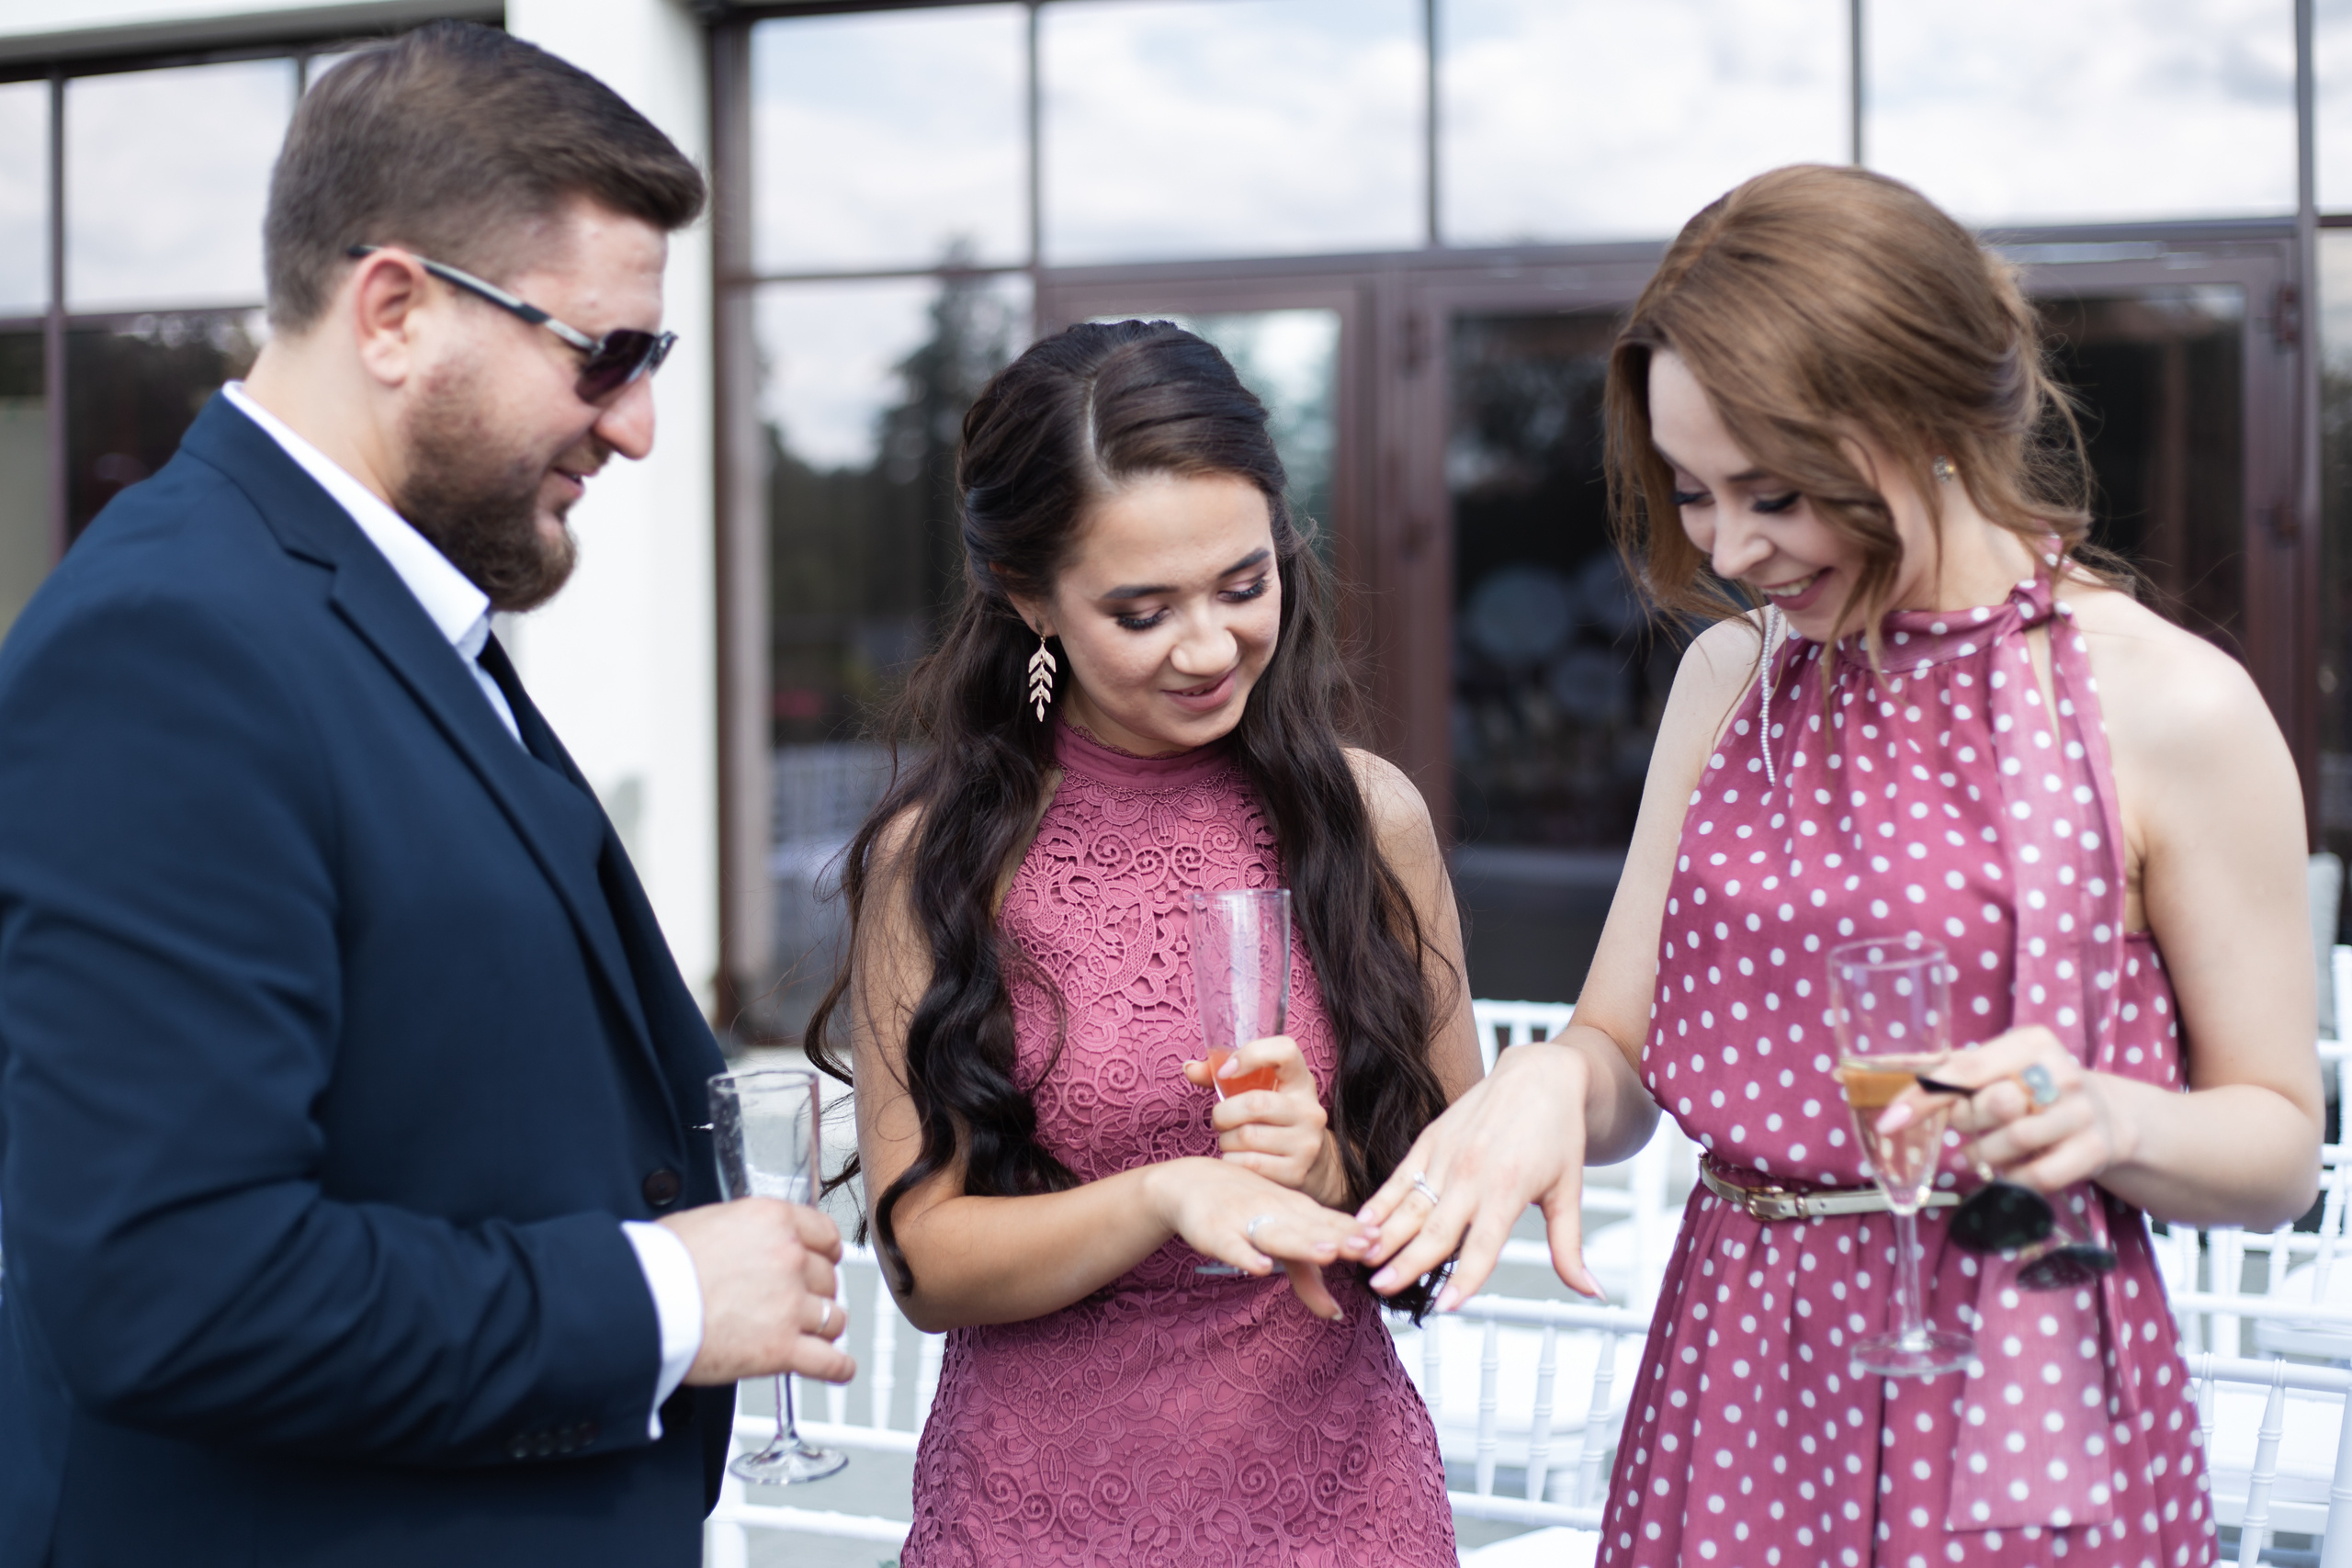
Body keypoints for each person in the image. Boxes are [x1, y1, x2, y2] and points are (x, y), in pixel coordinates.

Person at [1358, 164, 2324, 1567]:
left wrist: (2110, 1119)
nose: (1735, 550)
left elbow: (2279, 1144)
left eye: (1780, 494)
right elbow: (1621, 1050)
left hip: (2021, 1368)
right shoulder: (1731, 681)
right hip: (1742, 1363)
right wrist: (1553, 1082)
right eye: (1693, 493)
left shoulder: (2172, 707)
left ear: (1930, 422)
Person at [0, 23, 851, 1568]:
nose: (639, 426)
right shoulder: (169, 645)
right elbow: (174, 1285)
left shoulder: (385, 613)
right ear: (392, 310)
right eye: (607, 355)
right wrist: (663, 1297)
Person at [804, 320, 1479, 1565]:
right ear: (1029, 600)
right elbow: (927, 1265)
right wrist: (1168, 1194)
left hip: (1338, 1518)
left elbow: (1453, 1218)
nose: (1211, 647)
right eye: (1142, 610)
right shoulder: (942, 860)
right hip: (1036, 1522)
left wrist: (1330, 1177)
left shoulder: (1367, 821)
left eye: (1243, 584)